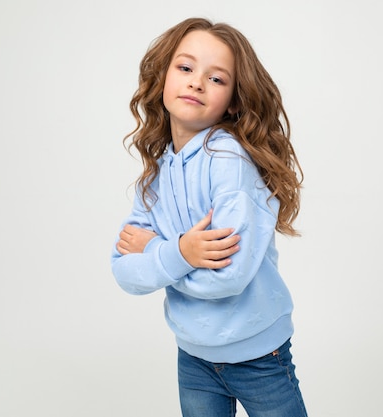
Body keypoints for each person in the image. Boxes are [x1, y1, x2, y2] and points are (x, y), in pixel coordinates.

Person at [111, 17, 307, 417]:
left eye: (216, 79)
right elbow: (124, 271)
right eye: (185, 68)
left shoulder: (229, 161)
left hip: (258, 355)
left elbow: (227, 276)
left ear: (234, 100)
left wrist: (158, 252)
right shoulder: (160, 171)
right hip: (194, 356)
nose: (197, 82)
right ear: (163, 77)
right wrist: (182, 251)